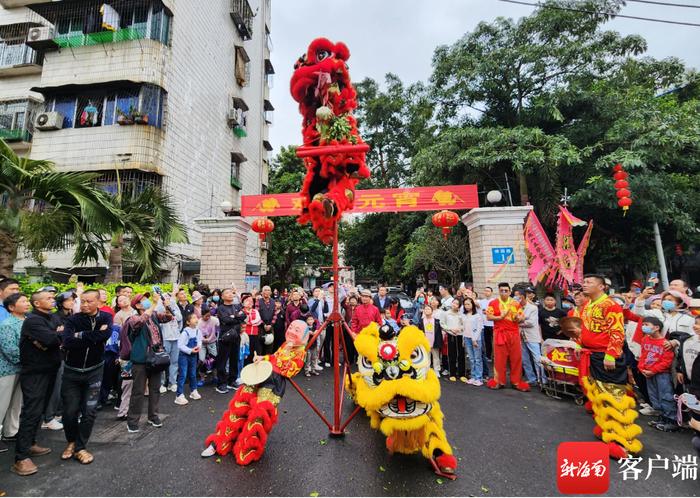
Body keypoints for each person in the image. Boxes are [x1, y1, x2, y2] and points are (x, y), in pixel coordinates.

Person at [201, 320, 309, 465]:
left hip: (274, 384)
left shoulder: (301, 352)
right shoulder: (284, 345)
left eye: (297, 330)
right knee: (239, 406)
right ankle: (220, 442)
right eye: (290, 327)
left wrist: (281, 355)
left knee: (259, 415)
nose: (291, 332)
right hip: (261, 374)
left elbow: (289, 371)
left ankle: (246, 450)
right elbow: (274, 357)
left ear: (304, 336)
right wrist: (262, 358)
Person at [577, 274, 642, 459]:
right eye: (584, 282)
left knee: (614, 397)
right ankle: (606, 428)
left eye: (589, 282)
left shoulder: (610, 305)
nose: (585, 285)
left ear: (602, 287)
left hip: (607, 356)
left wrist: (611, 354)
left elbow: (617, 332)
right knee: (598, 394)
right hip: (592, 355)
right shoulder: (588, 305)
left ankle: (623, 442)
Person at [12, 290, 63, 476]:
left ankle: (31, 443)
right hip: (35, 373)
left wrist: (57, 335)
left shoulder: (52, 318)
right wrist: (56, 335)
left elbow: (62, 335)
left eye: (52, 297)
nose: (53, 300)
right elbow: (52, 339)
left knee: (40, 410)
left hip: (49, 369)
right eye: (48, 298)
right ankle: (21, 457)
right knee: (31, 411)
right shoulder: (33, 320)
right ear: (37, 304)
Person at [60, 289, 113, 464]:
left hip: (94, 370)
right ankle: (71, 442)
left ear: (99, 303)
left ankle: (81, 447)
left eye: (89, 301)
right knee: (69, 412)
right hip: (72, 371)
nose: (84, 304)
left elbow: (106, 335)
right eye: (82, 301)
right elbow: (67, 341)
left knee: (89, 411)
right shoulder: (73, 319)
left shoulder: (105, 318)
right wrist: (93, 336)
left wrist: (81, 335)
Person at [120, 293, 173, 433]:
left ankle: (153, 416)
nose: (148, 301)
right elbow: (140, 322)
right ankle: (132, 421)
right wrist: (154, 305)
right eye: (143, 300)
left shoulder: (154, 315)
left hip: (156, 358)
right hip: (141, 360)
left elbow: (169, 317)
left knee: (155, 389)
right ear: (137, 305)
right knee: (138, 391)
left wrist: (167, 305)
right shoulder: (133, 318)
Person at [0, 293, 30, 454]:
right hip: (8, 369)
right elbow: (9, 349)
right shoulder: (7, 324)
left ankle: (11, 431)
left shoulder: (27, 321)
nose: (27, 303)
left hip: (25, 368)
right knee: (2, 403)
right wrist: (30, 359)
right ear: (11, 307)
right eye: (23, 301)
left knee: (17, 402)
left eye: (27, 300)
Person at [637, 316, 677, 432]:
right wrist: (642, 368)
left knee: (666, 396)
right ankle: (662, 417)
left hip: (661, 374)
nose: (644, 327)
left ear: (656, 327)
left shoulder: (665, 343)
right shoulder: (645, 339)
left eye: (647, 325)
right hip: (648, 373)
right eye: (643, 324)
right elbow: (643, 355)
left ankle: (671, 420)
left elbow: (667, 362)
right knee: (654, 396)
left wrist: (653, 370)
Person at [486, 282, 528, 391]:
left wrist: (518, 318)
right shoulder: (493, 303)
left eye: (506, 290)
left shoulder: (515, 303)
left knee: (516, 358)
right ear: (499, 291)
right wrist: (501, 316)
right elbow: (489, 317)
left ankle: (516, 381)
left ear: (510, 292)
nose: (504, 292)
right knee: (500, 358)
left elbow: (522, 317)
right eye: (502, 291)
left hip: (514, 334)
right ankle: (499, 381)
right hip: (500, 333)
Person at [215, 288, 246, 394]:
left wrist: (235, 317)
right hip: (225, 337)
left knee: (234, 359)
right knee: (222, 361)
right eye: (227, 293)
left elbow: (244, 316)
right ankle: (221, 383)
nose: (230, 294)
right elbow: (226, 320)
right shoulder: (221, 308)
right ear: (222, 297)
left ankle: (232, 381)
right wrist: (237, 317)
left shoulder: (236, 306)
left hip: (236, 336)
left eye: (231, 293)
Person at [156, 292, 183, 394]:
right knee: (162, 361)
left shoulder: (174, 307)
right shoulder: (159, 309)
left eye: (169, 297)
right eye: (165, 297)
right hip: (164, 338)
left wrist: (171, 307)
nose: (167, 299)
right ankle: (162, 383)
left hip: (176, 337)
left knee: (174, 361)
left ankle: (173, 382)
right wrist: (165, 307)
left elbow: (179, 318)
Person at [174, 313, 203, 405]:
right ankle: (179, 395)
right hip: (184, 356)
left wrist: (198, 347)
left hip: (193, 355)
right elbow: (180, 345)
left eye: (196, 317)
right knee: (183, 374)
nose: (196, 319)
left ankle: (193, 390)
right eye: (193, 318)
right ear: (188, 322)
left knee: (193, 374)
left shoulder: (198, 331)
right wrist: (190, 350)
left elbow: (199, 341)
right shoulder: (185, 332)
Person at [520, 288, 544, 385]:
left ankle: (542, 380)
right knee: (525, 359)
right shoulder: (516, 308)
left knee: (537, 359)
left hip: (532, 336)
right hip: (521, 336)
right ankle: (531, 378)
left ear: (523, 297)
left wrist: (517, 323)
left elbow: (531, 323)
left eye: (519, 297)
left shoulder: (533, 308)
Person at [442, 299, 466, 383]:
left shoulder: (461, 314)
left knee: (461, 354)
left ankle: (462, 374)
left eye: (457, 303)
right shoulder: (446, 313)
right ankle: (452, 374)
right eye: (454, 303)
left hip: (460, 334)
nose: (454, 304)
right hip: (450, 334)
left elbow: (464, 324)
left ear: (459, 306)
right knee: (452, 354)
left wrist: (459, 329)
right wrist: (450, 329)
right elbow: (443, 323)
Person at [417, 303, 443, 377]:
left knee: (436, 356)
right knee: (426, 357)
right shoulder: (421, 321)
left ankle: (436, 370)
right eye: (425, 309)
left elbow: (439, 333)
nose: (427, 310)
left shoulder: (437, 321)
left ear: (432, 311)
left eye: (429, 309)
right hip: (425, 342)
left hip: (434, 341)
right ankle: (426, 370)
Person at [462, 298, 484, 386]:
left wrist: (474, 339)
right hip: (467, 338)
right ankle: (473, 376)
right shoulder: (464, 315)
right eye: (465, 304)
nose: (467, 306)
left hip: (475, 339)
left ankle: (479, 378)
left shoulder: (477, 316)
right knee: (471, 359)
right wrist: (463, 339)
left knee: (477, 359)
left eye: (468, 304)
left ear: (473, 305)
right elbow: (464, 328)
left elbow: (479, 329)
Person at [198, 304, 219, 381]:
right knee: (202, 360)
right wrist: (203, 339)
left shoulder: (214, 320)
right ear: (202, 315)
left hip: (212, 342)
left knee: (214, 359)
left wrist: (214, 337)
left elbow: (217, 329)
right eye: (206, 316)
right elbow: (197, 334)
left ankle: (215, 376)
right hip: (202, 343)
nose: (208, 317)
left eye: (209, 316)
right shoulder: (199, 322)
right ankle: (202, 378)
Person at [241, 295, 263, 366]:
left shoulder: (255, 311)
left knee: (255, 350)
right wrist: (251, 323)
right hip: (245, 335)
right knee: (246, 351)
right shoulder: (241, 312)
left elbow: (258, 321)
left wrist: (249, 323)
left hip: (255, 334)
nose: (250, 302)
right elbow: (242, 321)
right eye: (247, 301)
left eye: (251, 301)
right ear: (243, 303)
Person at [256, 286, 276, 355]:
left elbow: (275, 314)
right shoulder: (258, 302)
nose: (267, 292)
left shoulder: (273, 302)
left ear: (270, 292)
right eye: (265, 290)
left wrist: (271, 325)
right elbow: (257, 314)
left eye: (268, 290)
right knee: (260, 348)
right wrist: (263, 324)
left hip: (270, 327)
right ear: (262, 292)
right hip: (261, 327)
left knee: (269, 348)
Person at [478, 287, 494, 361]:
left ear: (491, 292)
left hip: (493, 324)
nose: (486, 292)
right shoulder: (481, 302)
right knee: (487, 341)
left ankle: (496, 356)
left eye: (488, 291)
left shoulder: (494, 301)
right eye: (485, 291)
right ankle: (488, 356)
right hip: (484, 324)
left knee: (495, 341)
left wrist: (487, 312)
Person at [342, 294, 359, 364]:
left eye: (354, 300)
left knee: (356, 345)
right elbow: (342, 303)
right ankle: (349, 359)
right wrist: (347, 296)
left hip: (356, 329)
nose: (353, 301)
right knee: (348, 345)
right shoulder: (347, 307)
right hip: (347, 328)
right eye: (351, 300)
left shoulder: (359, 308)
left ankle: (357, 359)